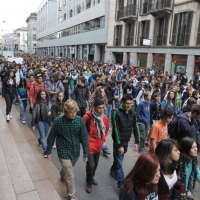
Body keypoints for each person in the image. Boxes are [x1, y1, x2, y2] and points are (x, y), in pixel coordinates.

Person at [46, 100, 88, 200]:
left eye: (75, 111)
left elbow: (84, 137)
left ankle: (62, 173)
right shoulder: (58, 121)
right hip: (63, 151)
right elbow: (51, 137)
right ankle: (71, 195)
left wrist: (86, 153)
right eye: (71, 112)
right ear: (66, 111)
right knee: (70, 173)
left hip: (75, 151)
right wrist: (48, 151)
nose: (73, 114)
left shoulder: (79, 121)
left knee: (69, 167)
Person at [110, 94, 140, 190]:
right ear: (122, 102)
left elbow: (136, 127)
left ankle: (113, 170)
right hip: (118, 142)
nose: (129, 105)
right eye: (127, 103)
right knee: (119, 162)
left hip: (126, 141)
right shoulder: (116, 112)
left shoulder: (133, 112)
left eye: (130, 103)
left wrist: (137, 141)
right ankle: (121, 184)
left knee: (119, 159)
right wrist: (119, 145)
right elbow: (115, 129)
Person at [82, 99, 109, 193]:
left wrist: (103, 140)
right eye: (99, 108)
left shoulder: (104, 118)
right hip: (89, 145)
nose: (101, 110)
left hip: (98, 145)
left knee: (95, 164)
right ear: (94, 107)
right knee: (90, 165)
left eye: (103, 108)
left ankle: (91, 177)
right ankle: (89, 181)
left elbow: (106, 129)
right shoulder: (87, 117)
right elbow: (81, 128)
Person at [32, 89, 51, 158]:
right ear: (39, 95)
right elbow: (34, 114)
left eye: (44, 94)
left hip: (47, 121)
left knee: (45, 135)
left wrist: (50, 113)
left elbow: (51, 110)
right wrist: (33, 124)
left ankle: (39, 140)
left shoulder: (48, 102)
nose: (43, 96)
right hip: (40, 121)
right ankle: (45, 151)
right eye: (42, 94)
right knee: (43, 136)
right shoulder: (36, 103)